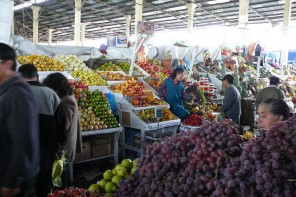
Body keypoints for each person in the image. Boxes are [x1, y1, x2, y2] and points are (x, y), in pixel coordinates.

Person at [18, 64, 67, 197]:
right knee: (44, 188)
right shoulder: (51, 94)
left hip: (20, 154)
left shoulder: (11, 93)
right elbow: (62, 126)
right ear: (38, 77)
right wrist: (59, 147)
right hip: (45, 151)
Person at [0, 43, 40, 196]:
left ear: (8, 64)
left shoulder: (16, 94)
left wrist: (11, 182)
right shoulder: (6, 90)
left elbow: (23, 141)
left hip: (15, 182)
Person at [43, 73, 82, 187]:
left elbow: (63, 126)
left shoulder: (65, 101)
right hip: (64, 146)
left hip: (63, 147)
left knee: (60, 180)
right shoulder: (67, 98)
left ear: (55, 88)